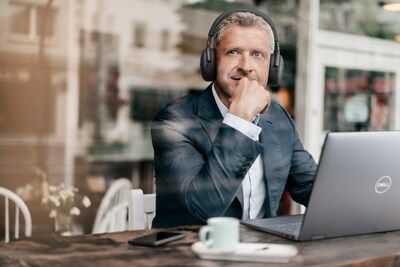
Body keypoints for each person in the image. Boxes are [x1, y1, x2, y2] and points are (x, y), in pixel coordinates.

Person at [151, 8, 317, 228]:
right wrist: (240, 120)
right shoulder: (175, 120)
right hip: (192, 252)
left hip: (261, 252)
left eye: (257, 54)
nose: (246, 66)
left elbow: (313, 190)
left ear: (273, 67)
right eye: (233, 52)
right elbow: (204, 209)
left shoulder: (278, 120)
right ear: (211, 60)